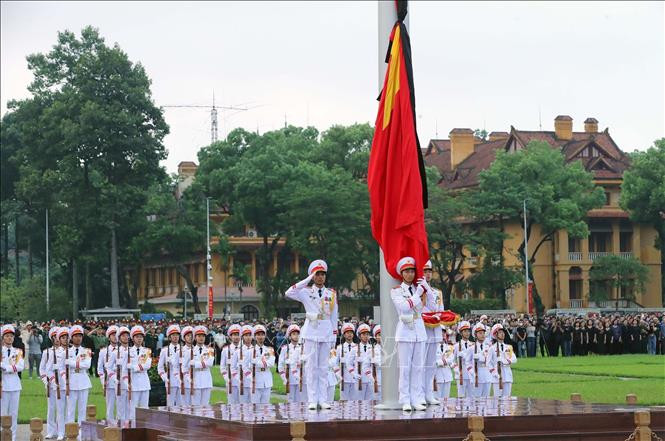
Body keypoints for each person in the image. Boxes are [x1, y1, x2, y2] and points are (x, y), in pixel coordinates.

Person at [284, 259, 339, 410]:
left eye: (322, 274)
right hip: (311, 332)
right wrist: (307, 279)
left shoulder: (331, 294)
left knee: (323, 367)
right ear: (313, 276)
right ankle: (312, 399)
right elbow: (288, 292)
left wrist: (334, 334)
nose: (320, 277)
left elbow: (334, 315)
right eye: (317, 274)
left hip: (326, 331)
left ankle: (322, 399)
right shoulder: (305, 292)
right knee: (311, 367)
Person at [390, 256, 435, 411]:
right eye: (407, 271)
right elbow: (404, 307)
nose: (410, 274)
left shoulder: (419, 287)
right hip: (405, 331)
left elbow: (432, 305)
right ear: (402, 273)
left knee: (418, 367)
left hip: (419, 330)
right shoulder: (396, 290)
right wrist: (418, 294)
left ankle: (417, 398)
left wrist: (427, 289)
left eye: (412, 271)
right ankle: (405, 399)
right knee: (405, 368)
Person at [421, 259, 444, 405]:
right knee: (421, 364)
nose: (428, 274)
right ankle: (420, 394)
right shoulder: (418, 290)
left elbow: (441, 309)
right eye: (425, 271)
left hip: (434, 329)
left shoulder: (437, 292)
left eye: (429, 271)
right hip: (423, 329)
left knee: (431, 364)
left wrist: (438, 316)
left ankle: (428, 393)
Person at [65, 325, 92, 428]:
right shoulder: (66, 351)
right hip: (71, 381)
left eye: (80, 336)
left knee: (82, 409)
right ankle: (71, 433)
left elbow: (87, 365)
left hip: (83, 381)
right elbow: (63, 365)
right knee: (70, 410)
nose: (78, 338)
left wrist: (72, 363)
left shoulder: (87, 351)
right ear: (72, 338)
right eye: (76, 336)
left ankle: (82, 434)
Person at [1, 324, 24, 441]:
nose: (10, 338)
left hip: (15, 384)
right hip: (3, 385)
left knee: (14, 413)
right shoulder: (0, 352)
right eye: (7, 336)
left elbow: (21, 366)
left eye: (11, 336)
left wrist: (6, 367)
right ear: (3, 338)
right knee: (3, 412)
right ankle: (3, 435)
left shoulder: (18, 351)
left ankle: (13, 436)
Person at [39, 326, 60, 439]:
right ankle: (51, 431)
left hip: (61, 384)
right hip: (50, 384)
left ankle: (62, 429)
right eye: (55, 337)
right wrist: (45, 381)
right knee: (51, 408)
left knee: (62, 408)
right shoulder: (46, 352)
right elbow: (42, 369)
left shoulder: (66, 351)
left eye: (58, 337)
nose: (57, 339)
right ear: (52, 338)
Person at [278, 324, 307, 403]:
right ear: (289, 336)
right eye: (294, 334)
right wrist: (284, 378)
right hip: (290, 377)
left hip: (302, 377)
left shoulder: (303, 348)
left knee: (302, 400)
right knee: (291, 401)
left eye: (298, 334)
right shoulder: (285, 349)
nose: (296, 336)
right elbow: (280, 365)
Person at [347, 323, 374, 401]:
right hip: (359, 379)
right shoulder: (354, 349)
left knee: (370, 402)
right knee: (359, 402)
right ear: (359, 336)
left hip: (370, 380)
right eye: (363, 334)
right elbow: (348, 363)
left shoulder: (373, 348)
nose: (366, 336)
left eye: (367, 334)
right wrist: (353, 374)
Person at [488, 323, 516, 397]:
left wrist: (506, 361)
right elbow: (488, 363)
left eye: (503, 332)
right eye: (500, 332)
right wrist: (494, 373)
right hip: (497, 376)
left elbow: (514, 359)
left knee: (507, 399)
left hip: (507, 374)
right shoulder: (492, 348)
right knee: (497, 399)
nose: (502, 334)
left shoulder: (508, 347)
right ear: (495, 335)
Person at [97, 325, 118, 423]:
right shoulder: (103, 351)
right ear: (109, 337)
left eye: (116, 335)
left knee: (121, 405)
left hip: (121, 382)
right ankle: (110, 426)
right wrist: (103, 380)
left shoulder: (124, 350)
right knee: (109, 405)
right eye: (112, 335)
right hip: (109, 382)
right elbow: (100, 369)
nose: (115, 337)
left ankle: (120, 425)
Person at [158, 324, 182, 407]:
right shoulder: (165, 350)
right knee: (170, 405)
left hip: (182, 379)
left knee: (182, 405)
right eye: (173, 335)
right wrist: (165, 378)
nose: (175, 337)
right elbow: (160, 367)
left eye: (177, 335)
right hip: (170, 378)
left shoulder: (184, 349)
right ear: (169, 337)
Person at [250, 324, 275, 404]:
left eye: (262, 334)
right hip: (255, 380)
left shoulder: (270, 349)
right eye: (258, 335)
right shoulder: (250, 350)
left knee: (265, 407)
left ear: (265, 336)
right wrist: (264, 362)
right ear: (254, 336)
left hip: (266, 380)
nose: (260, 337)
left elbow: (271, 363)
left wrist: (257, 362)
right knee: (255, 406)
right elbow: (246, 365)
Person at [191, 325, 214, 406]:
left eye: (203, 336)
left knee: (205, 405)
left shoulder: (210, 350)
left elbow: (210, 363)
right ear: (195, 338)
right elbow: (188, 364)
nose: (201, 338)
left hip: (206, 380)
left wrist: (196, 364)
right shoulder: (191, 350)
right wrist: (203, 363)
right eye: (199, 336)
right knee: (196, 405)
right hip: (196, 380)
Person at [232, 325, 255, 404]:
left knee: (254, 405)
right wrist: (238, 378)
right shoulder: (238, 351)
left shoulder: (256, 350)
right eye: (246, 335)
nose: (248, 338)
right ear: (242, 337)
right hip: (243, 381)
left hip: (255, 382)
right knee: (243, 405)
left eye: (249, 335)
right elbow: (233, 368)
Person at [336, 322, 357, 401]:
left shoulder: (357, 347)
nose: (349, 334)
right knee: (344, 401)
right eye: (347, 333)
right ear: (344, 335)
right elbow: (335, 364)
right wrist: (338, 375)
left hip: (355, 378)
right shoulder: (339, 348)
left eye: (351, 332)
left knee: (355, 401)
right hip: (344, 378)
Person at [220, 324, 241, 404]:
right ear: (230, 336)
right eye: (234, 335)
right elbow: (222, 367)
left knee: (244, 404)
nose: (236, 337)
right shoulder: (226, 350)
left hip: (243, 381)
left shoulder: (245, 349)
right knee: (232, 404)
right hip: (231, 380)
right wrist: (227, 378)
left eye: (238, 335)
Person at [469, 322, 491, 397]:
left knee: (486, 399)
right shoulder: (471, 348)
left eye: (483, 333)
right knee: (476, 399)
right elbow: (467, 362)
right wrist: (472, 372)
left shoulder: (489, 347)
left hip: (487, 375)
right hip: (477, 375)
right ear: (476, 335)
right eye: (480, 333)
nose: (482, 335)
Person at [453, 321, 473, 398]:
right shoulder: (456, 346)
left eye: (468, 331)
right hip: (460, 373)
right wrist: (456, 369)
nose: (467, 333)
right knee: (461, 397)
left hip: (470, 374)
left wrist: (464, 355)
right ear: (461, 333)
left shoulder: (473, 345)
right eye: (465, 331)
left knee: (471, 397)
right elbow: (453, 360)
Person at [434, 330, 454, 400]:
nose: (442, 336)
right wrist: (439, 363)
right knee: (437, 399)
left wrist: (440, 362)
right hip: (437, 375)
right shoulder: (433, 347)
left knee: (446, 399)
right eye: (440, 334)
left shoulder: (449, 347)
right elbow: (432, 361)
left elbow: (451, 359)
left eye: (444, 334)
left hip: (447, 375)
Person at [180, 325, 194, 406]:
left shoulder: (197, 349)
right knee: (185, 406)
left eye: (191, 336)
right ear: (184, 338)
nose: (190, 337)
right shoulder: (180, 351)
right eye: (188, 336)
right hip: (184, 381)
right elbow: (177, 367)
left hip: (196, 382)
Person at [371, 325, 382, 401]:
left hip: (390, 379)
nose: (381, 337)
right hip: (379, 377)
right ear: (375, 337)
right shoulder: (374, 349)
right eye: (379, 335)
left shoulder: (390, 347)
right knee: (378, 400)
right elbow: (378, 362)